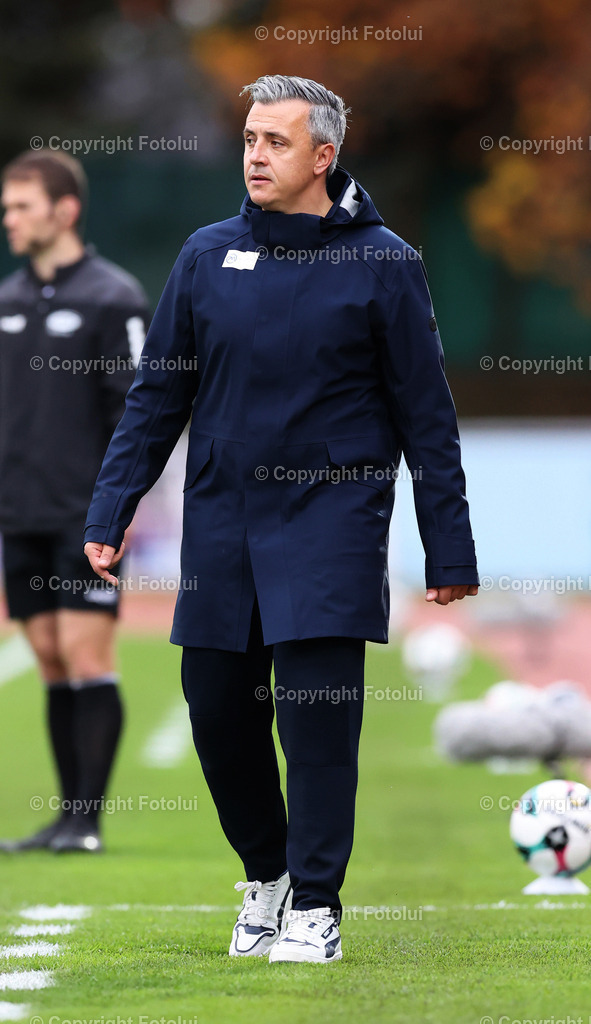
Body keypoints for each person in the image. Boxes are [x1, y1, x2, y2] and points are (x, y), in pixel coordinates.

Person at [84, 75, 479, 960]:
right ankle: (267, 875)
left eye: (276, 142)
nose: (255, 155)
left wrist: (447, 544)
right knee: (217, 715)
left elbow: (427, 417)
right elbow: (157, 399)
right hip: (221, 525)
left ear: (323, 158)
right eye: (250, 138)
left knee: (315, 721)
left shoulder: (385, 263)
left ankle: (318, 907)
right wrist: (111, 507)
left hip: (331, 526)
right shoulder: (204, 254)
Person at [0, 149, 149, 853]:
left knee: (86, 656)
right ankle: (64, 815)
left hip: (83, 515)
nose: (10, 219)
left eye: (21, 206)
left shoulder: (113, 297)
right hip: (18, 513)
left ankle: (87, 823)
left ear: (64, 210)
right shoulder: (9, 299)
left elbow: (137, 412)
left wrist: (117, 509)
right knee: (50, 658)